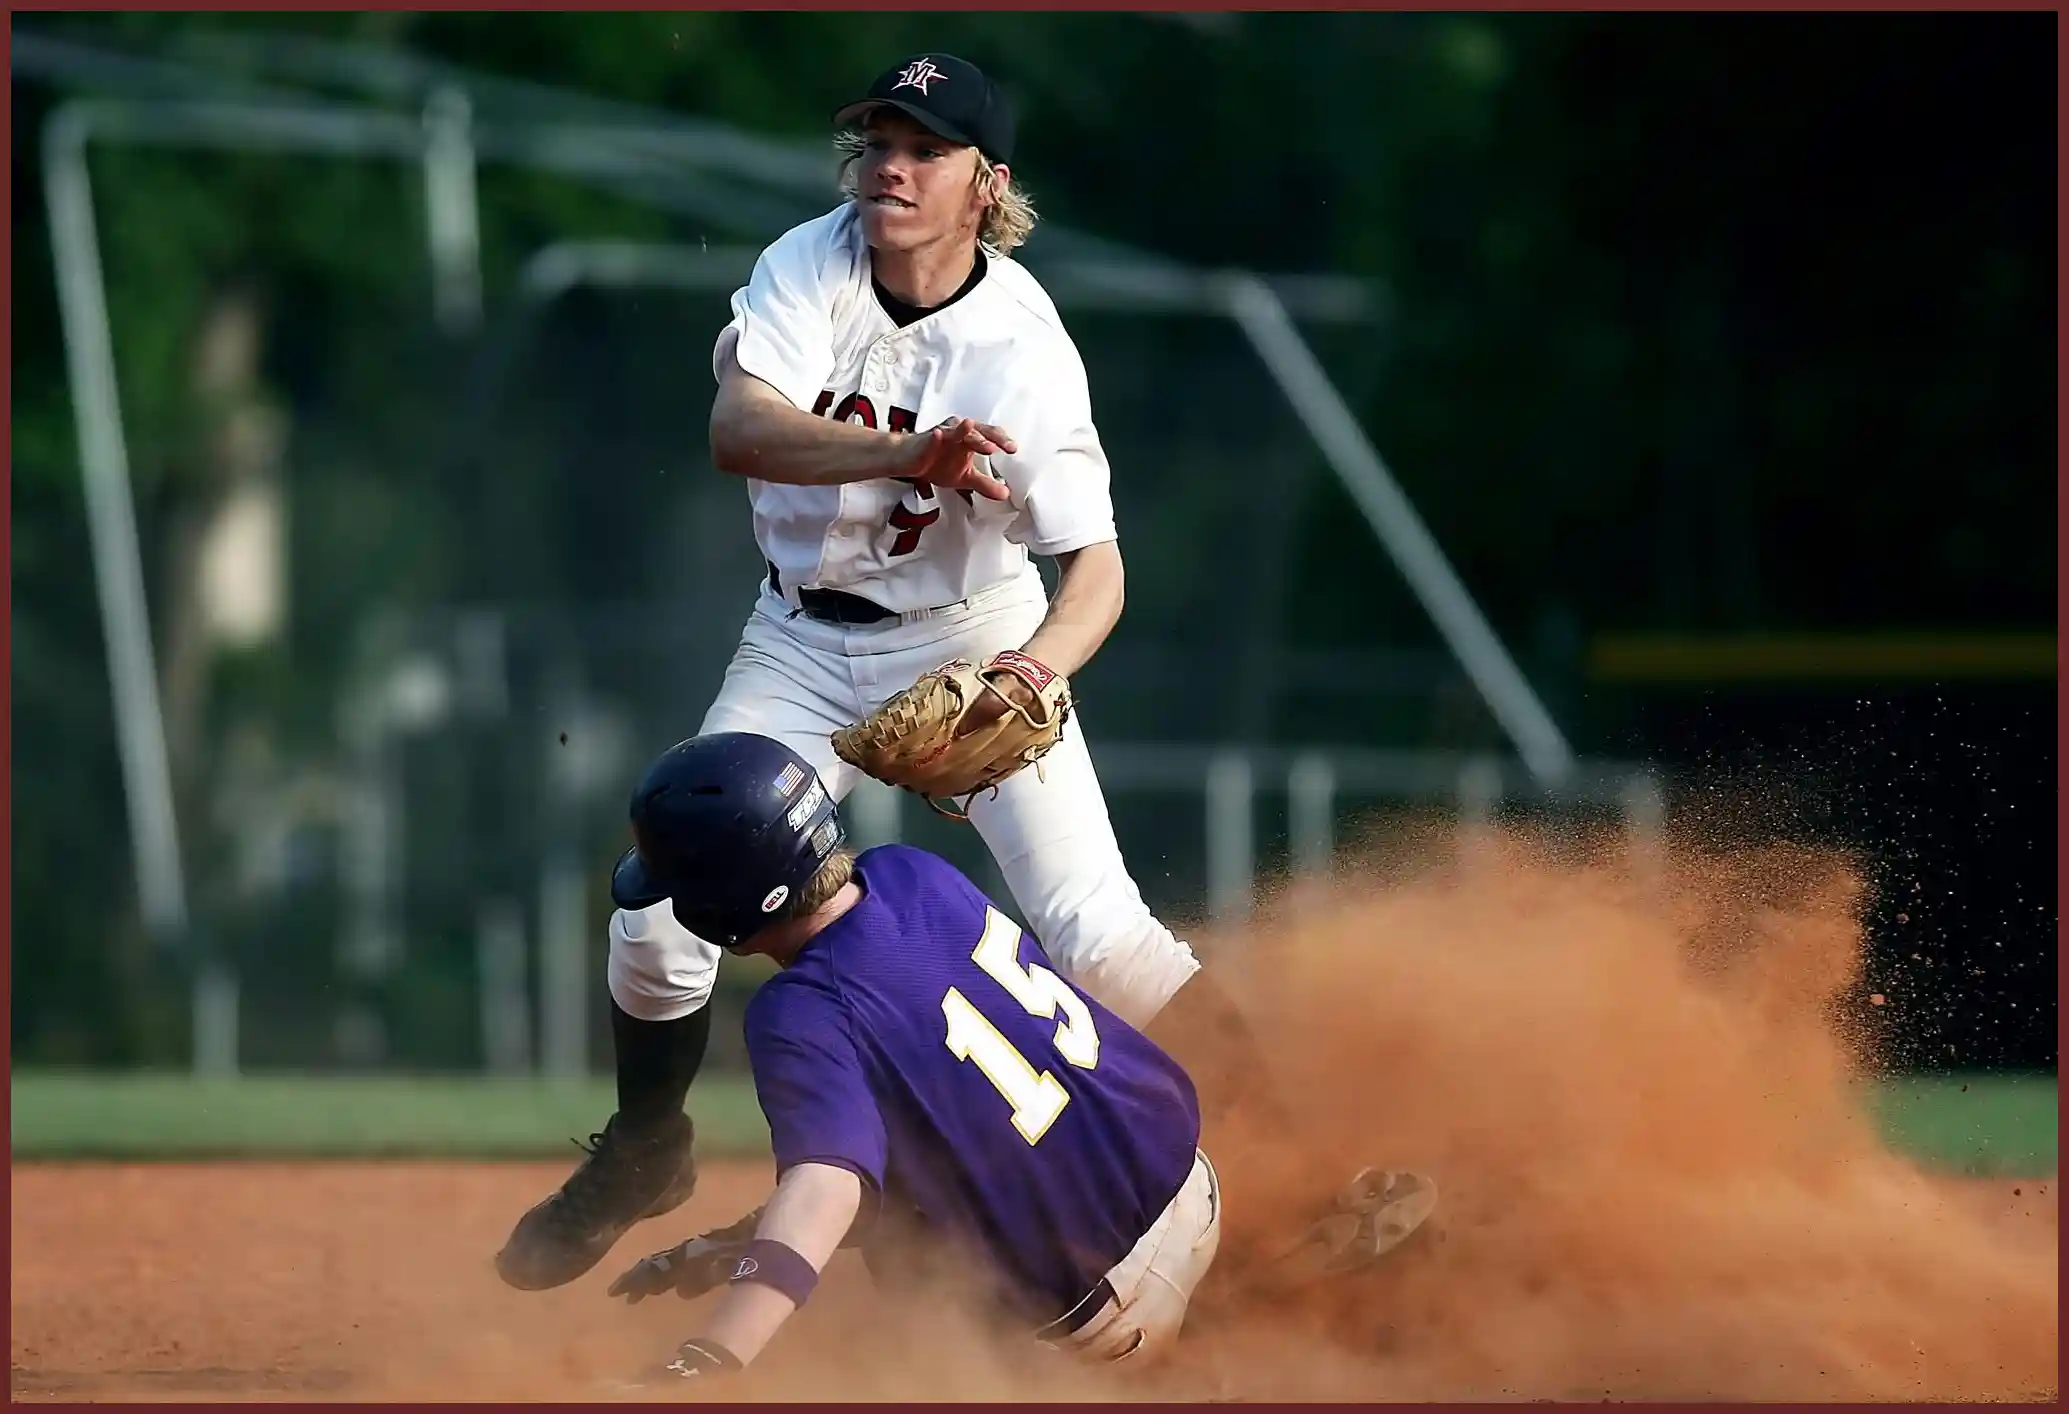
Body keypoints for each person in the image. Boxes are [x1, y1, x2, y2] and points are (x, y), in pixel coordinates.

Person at [494, 51, 1433, 1294]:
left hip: (964, 633)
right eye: (876, 138)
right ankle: (646, 1143)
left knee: (1099, 934)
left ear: (985, 185)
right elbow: (737, 431)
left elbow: (1094, 571)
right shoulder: (807, 262)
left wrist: (1031, 675)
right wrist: (918, 452)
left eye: (923, 148)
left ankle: (1322, 1177)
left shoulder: (1024, 350)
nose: (887, 165)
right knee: (663, 904)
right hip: (792, 637)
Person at [597, 732, 1223, 1380]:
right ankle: (1240, 1305)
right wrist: (737, 1245)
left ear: (718, 905)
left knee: (909, 1274)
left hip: (1105, 1314)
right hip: (1195, 1186)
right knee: (916, 1161)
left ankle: (1135, 1374)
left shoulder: (798, 1009)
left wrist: (711, 1357)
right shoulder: (910, 872)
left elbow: (827, 1188)